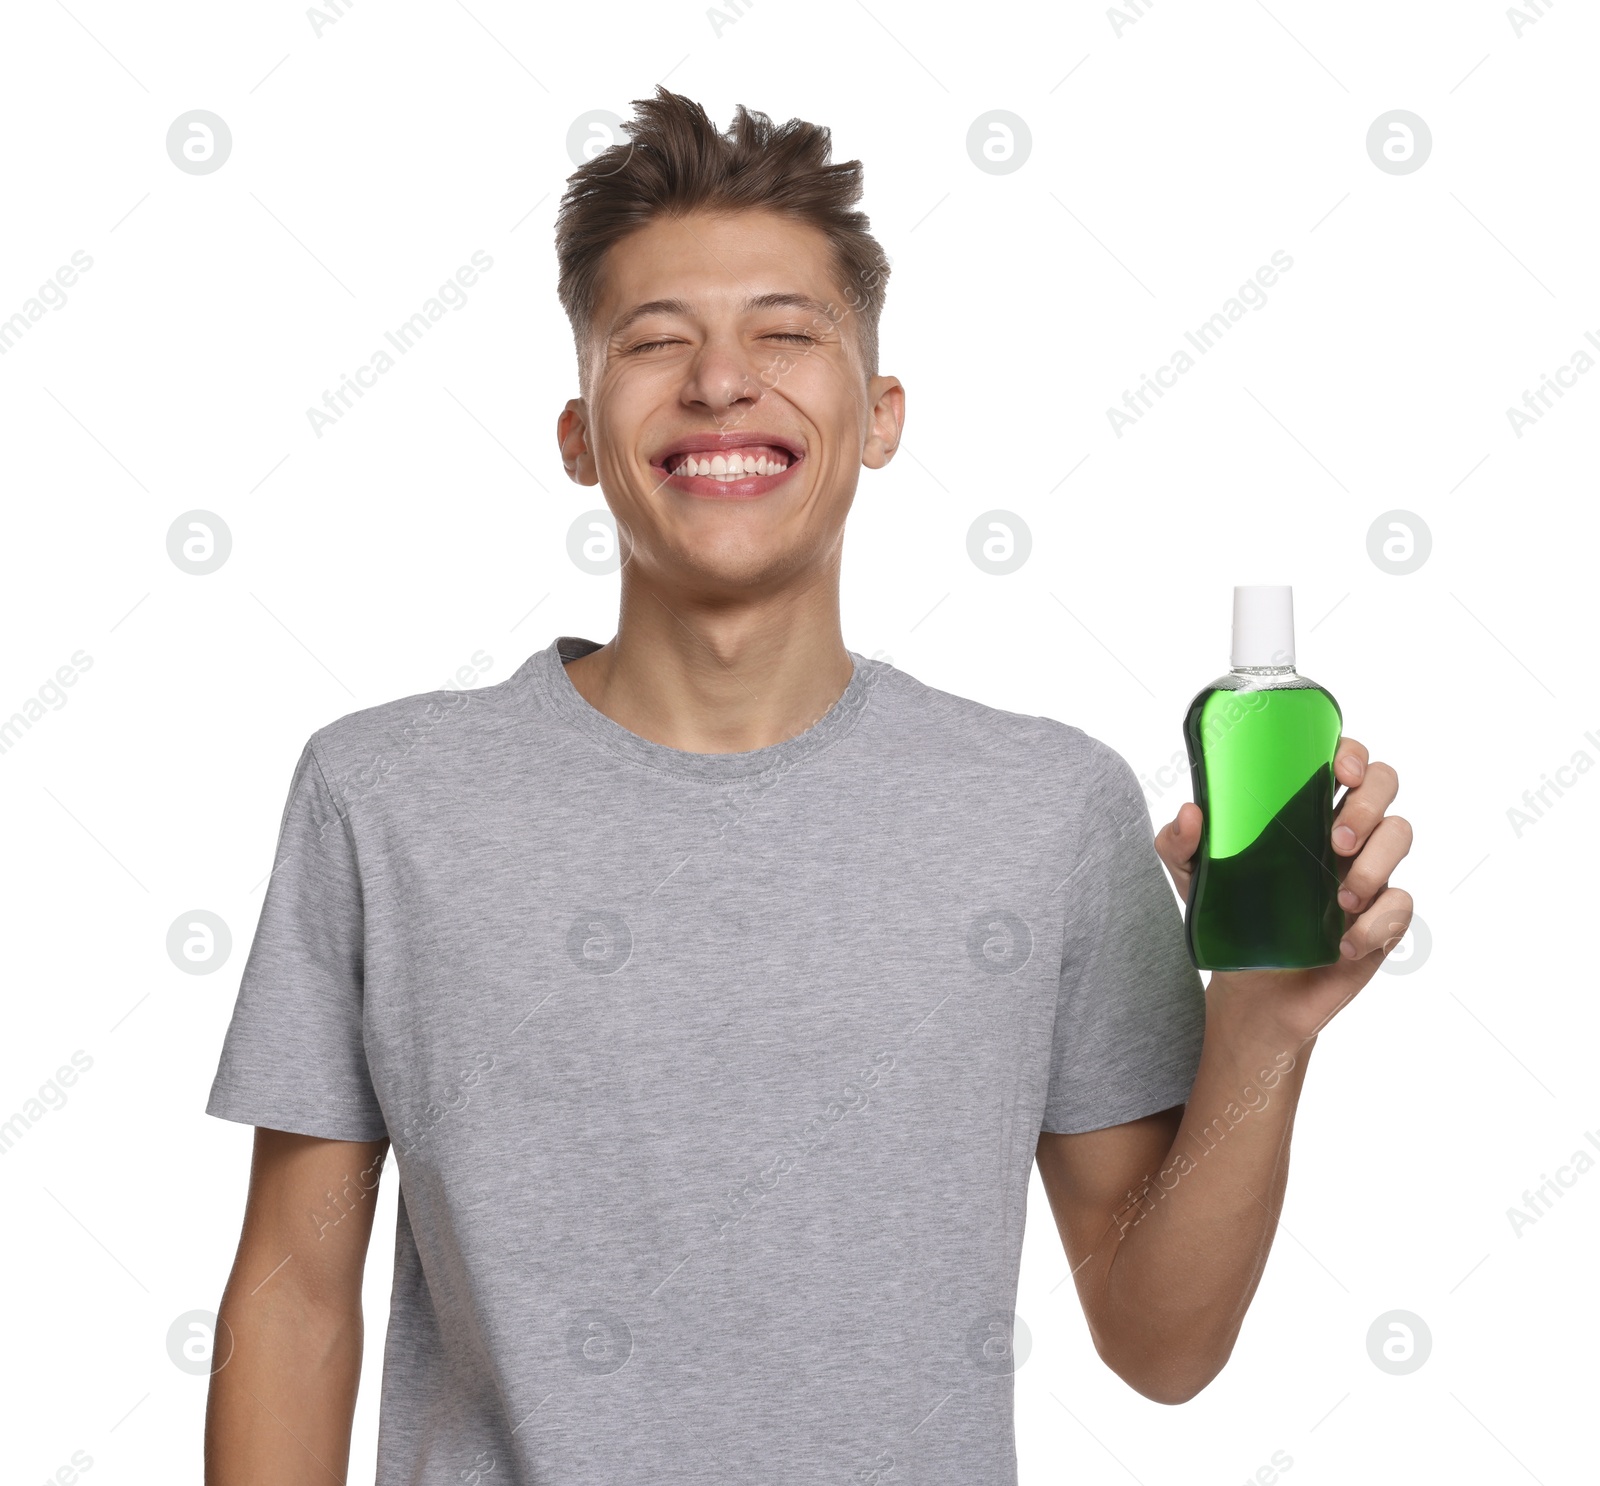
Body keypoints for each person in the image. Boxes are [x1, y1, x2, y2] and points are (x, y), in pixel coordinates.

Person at [202, 87, 1413, 1484]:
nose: (722, 380)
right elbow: (293, 1297)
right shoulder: (384, 797)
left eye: (786, 335)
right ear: (580, 435)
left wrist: (1262, 1032)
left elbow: (1161, 1340)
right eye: (656, 342)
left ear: (881, 414)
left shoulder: (1047, 810)